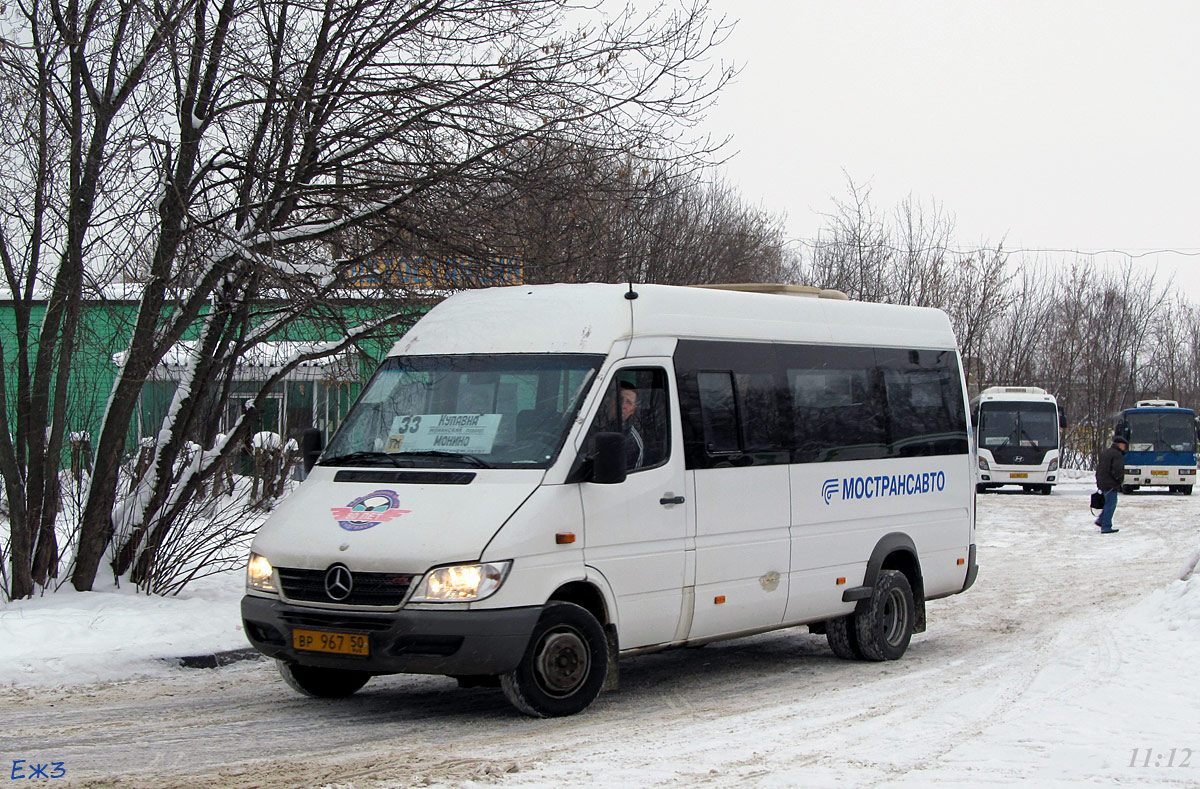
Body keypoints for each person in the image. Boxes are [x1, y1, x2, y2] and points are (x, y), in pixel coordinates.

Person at [1094, 433, 1127, 534]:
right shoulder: (1117, 454)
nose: (1125, 447)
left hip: (1103, 482)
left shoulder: (1106, 453)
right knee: (1111, 504)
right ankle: (1106, 526)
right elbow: (1117, 470)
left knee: (1108, 503)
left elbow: (1099, 468)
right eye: (1124, 445)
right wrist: (1119, 480)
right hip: (1111, 483)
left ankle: (1101, 520)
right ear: (1119, 445)